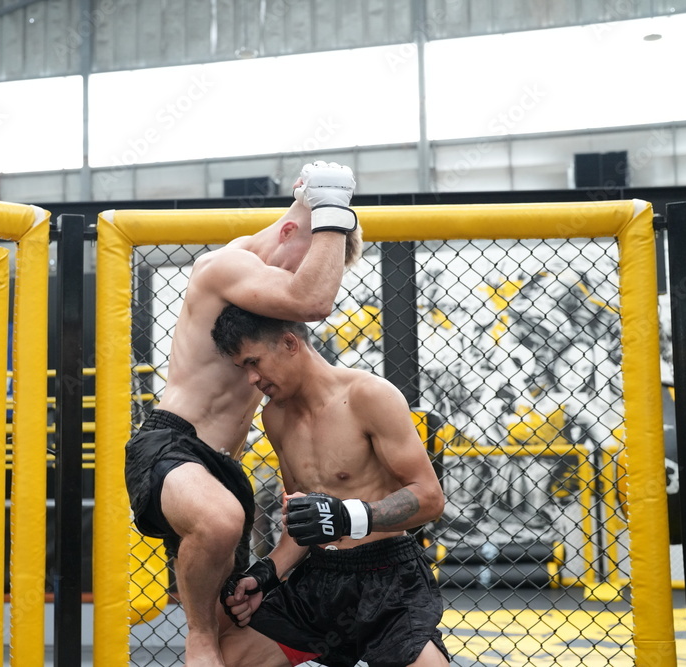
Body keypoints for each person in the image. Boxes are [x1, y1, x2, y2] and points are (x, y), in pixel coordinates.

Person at [124, 161, 363, 666]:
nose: (306, 274)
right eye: (308, 260)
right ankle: (196, 635)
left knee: (239, 634)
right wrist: (333, 207)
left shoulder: (272, 305)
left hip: (223, 468)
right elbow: (315, 299)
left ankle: (215, 643)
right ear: (292, 230)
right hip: (172, 445)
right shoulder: (223, 267)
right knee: (219, 521)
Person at [211, 305, 450, 667]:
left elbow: (430, 499)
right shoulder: (274, 416)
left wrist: (347, 515)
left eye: (254, 362)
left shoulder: (369, 396)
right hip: (319, 579)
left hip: (387, 580)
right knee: (232, 657)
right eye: (243, 367)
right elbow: (304, 521)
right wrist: (267, 572)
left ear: (290, 343)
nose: (251, 379)